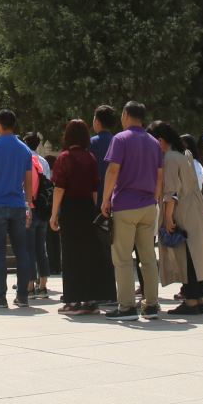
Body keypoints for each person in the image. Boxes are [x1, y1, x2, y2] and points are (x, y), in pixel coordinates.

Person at [100, 101, 163, 319]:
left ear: (126, 115)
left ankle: (127, 306)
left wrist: (105, 199)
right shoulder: (154, 142)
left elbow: (113, 170)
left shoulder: (120, 139)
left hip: (125, 204)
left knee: (123, 258)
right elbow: (160, 176)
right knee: (148, 257)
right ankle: (151, 304)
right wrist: (154, 200)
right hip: (148, 205)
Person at [151, 121, 203, 316]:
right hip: (195, 209)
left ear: (160, 140)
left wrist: (167, 217)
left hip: (182, 210)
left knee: (186, 255)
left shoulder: (170, 158)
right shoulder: (185, 154)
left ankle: (190, 300)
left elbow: (171, 192)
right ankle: (199, 299)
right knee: (195, 255)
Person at [0, 109, 37, 308]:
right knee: (22, 251)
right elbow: (28, 181)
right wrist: (28, 206)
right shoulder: (25, 150)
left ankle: (0, 296)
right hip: (18, 205)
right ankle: (23, 295)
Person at [49, 118, 102, 315]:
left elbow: (59, 188)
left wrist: (54, 214)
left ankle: (73, 301)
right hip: (88, 208)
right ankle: (90, 300)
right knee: (88, 254)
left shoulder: (64, 158)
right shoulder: (91, 158)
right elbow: (95, 189)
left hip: (70, 208)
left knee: (71, 255)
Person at [87, 105, 120, 303]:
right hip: (119, 202)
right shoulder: (119, 141)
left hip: (97, 202)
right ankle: (114, 292)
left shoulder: (92, 144)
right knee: (116, 249)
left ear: (97, 121)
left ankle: (101, 292)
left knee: (98, 249)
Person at [22, 131, 54, 297]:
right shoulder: (43, 162)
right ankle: (43, 285)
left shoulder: (25, 161)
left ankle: (29, 285)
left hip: (30, 208)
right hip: (43, 209)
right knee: (41, 247)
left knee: (28, 249)